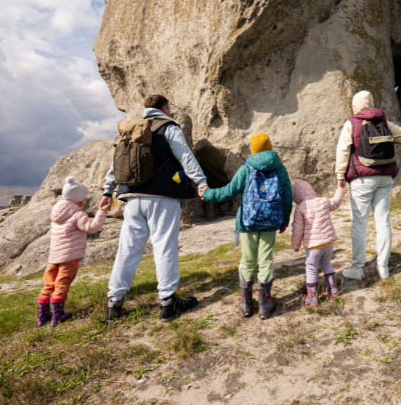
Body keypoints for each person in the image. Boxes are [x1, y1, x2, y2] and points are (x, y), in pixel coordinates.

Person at [101, 95, 209, 323]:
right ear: (165, 108)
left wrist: (107, 192)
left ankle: (114, 303)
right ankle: (168, 303)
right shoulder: (168, 126)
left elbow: (115, 164)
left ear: (145, 109)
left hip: (131, 197)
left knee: (127, 249)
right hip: (162, 198)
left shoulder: (131, 130)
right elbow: (185, 156)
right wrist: (201, 182)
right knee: (164, 246)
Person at [200, 132, 292, 320]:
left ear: (253, 149)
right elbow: (287, 196)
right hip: (270, 222)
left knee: (247, 261)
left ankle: (246, 304)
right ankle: (265, 305)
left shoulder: (247, 167)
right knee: (266, 261)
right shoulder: (280, 168)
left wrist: (208, 194)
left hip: (249, 222)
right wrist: (284, 221)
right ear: (271, 147)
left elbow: (229, 191)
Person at [335, 90, 401, 281]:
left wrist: (340, 176)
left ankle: (357, 268)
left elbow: (343, 150)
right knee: (383, 221)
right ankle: (383, 266)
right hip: (385, 177)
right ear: (371, 104)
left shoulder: (352, 123)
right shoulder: (384, 121)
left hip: (362, 179)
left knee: (360, 224)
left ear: (354, 106)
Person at [37, 176, 111, 327]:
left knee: (48, 284)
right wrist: (101, 213)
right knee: (62, 284)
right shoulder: (78, 214)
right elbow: (91, 228)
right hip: (69, 257)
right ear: (79, 199)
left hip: (55, 256)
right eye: (85, 197)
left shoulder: (57, 214)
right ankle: (57, 317)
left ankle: (42, 317)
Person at [291, 179, 346, 307]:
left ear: (297, 196)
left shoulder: (300, 208)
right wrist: (340, 190)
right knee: (326, 263)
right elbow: (336, 202)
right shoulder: (323, 201)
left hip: (313, 246)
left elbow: (297, 229)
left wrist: (295, 245)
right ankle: (333, 289)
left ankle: (312, 298)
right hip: (328, 243)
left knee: (311, 269)